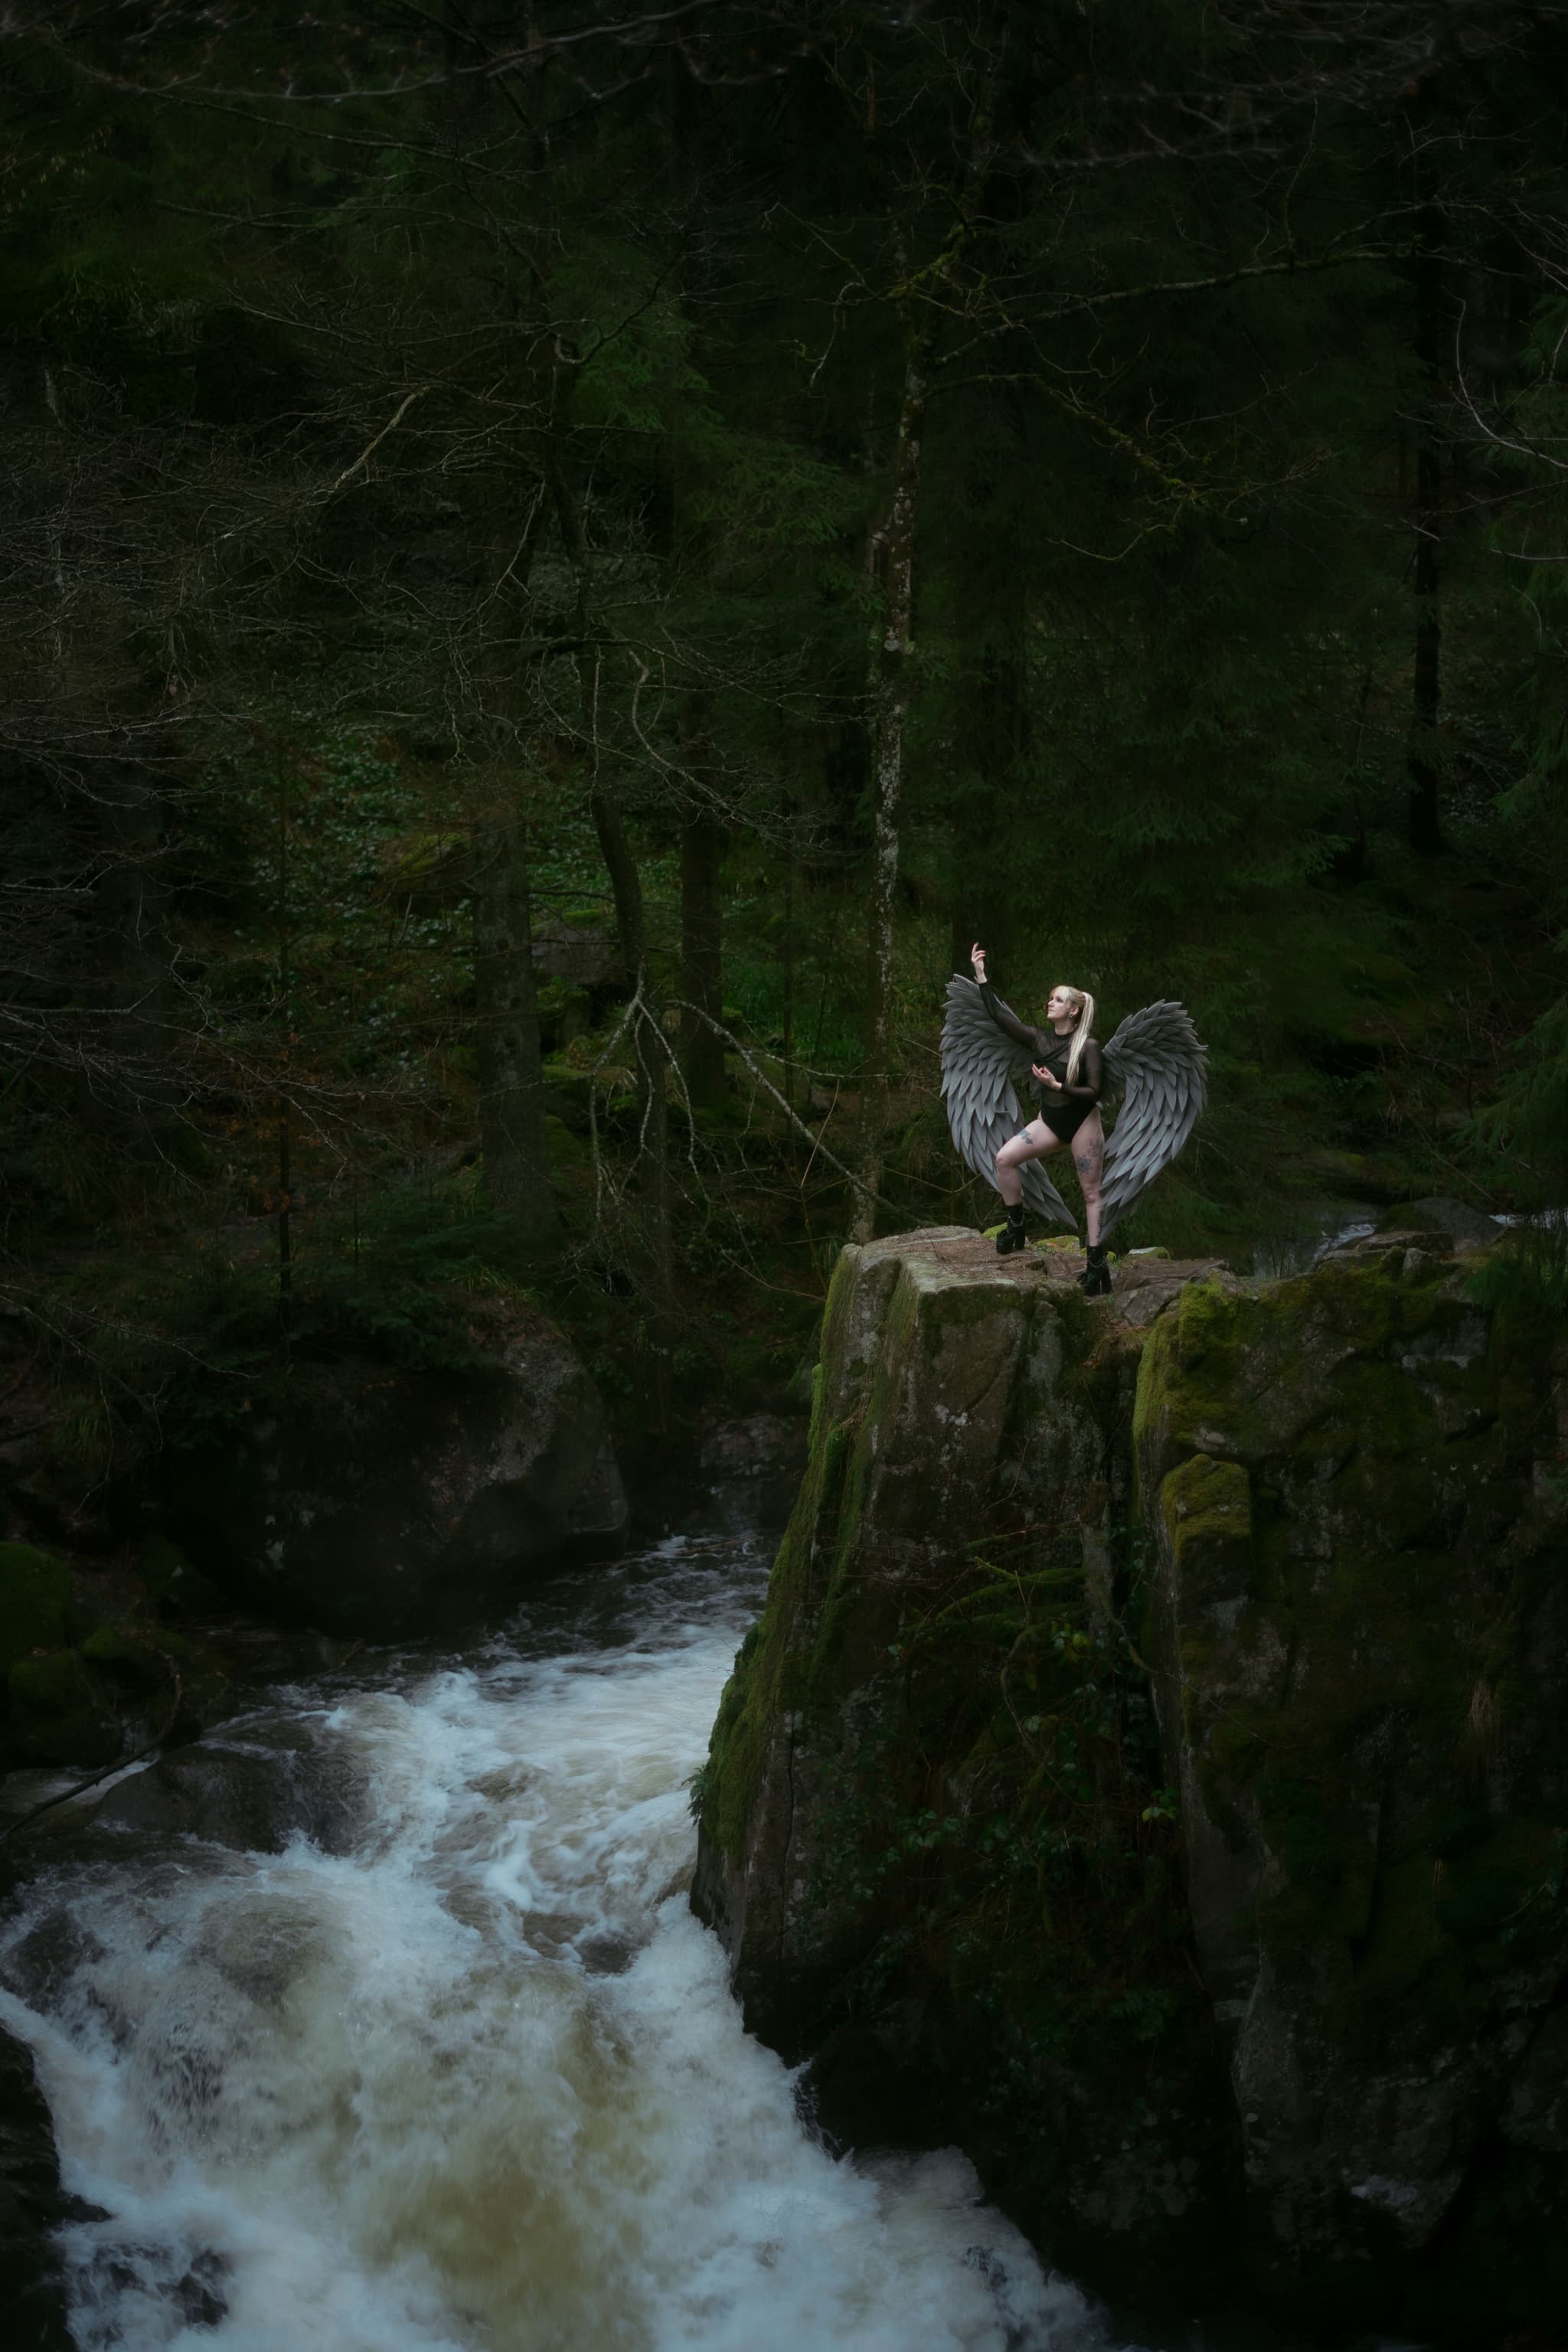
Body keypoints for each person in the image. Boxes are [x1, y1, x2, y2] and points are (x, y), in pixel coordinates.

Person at [969, 942, 1110, 1295]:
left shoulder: (1088, 1046)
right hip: (1049, 1123)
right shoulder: (1040, 1040)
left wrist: (1056, 1084)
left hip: (1082, 1126)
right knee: (1004, 1159)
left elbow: (1094, 1092)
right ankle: (1016, 1229)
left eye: (1058, 1000)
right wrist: (981, 976)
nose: (1051, 1003)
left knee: (1091, 1194)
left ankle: (1096, 1267)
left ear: (1074, 1011)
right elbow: (1003, 1020)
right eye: (1050, 999)